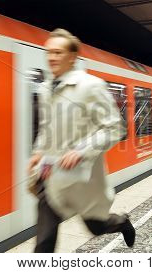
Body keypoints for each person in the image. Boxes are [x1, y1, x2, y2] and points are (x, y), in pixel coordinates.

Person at [27, 28, 135, 253]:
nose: (51, 57)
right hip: (51, 174)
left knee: (96, 227)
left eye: (58, 52)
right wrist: (37, 152)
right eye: (49, 52)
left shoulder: (91, 86)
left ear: (72, 57)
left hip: (82, 176)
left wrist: (81, 150)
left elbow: (115, 127)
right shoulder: (46, 89)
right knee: (44, 243)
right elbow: (46, 128)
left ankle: (122, 222)